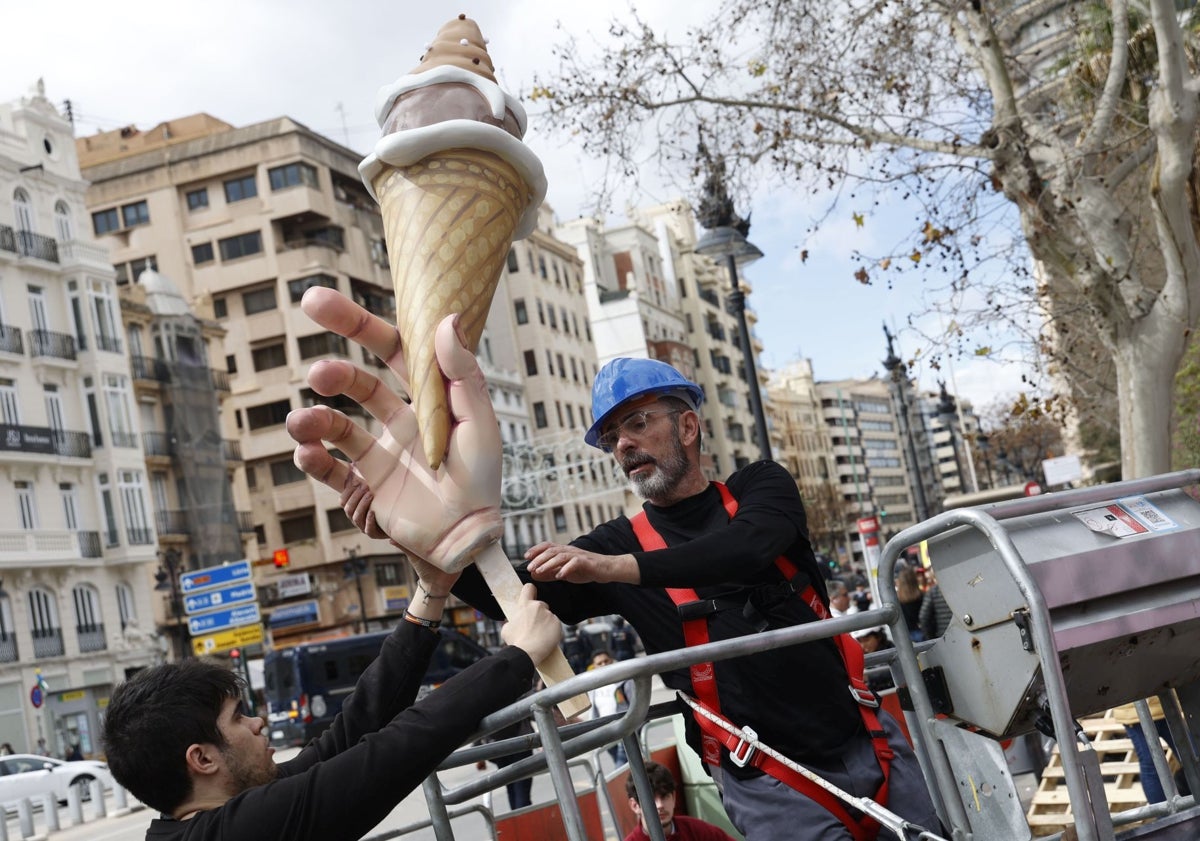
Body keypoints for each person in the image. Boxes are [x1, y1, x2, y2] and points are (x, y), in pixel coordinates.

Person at [287, 289, 940, 841]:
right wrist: (431, 541)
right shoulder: (610, 543)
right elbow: (511, 598)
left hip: (870, 741)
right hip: (770, 783)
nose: (623, 445)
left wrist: (618, 571)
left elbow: (746, 549)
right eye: (611, 439)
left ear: (687, 427)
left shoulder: (762, 488)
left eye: (637, 424)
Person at [103, 316, 562, 841]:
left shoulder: (223, 815)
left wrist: (431, 593)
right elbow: (387, 755)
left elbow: (353, 732)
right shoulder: (239, 831)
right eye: (238, 718)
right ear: (202, 758)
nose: (258, 724)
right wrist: (516, 657)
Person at [624, 761, 736, 841]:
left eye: (665, 796)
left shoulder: (696, 830)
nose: (660, 805)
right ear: (635, 806)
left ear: (674, 797)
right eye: (652, 800)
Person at [588, 649, 634, 767]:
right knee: (625, 767)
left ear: (611, 661)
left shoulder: (625, 681)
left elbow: (635, 703)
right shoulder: (592, 686)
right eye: (599, 663)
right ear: (594, 666)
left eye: (606, 661)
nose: (604, 665)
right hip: (606, 734)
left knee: (620, 766)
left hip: (624, 731)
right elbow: (594, 712)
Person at [895, 564, 925, 642]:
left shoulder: (897, 600)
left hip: (907, 636)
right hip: (923, 632)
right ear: (914, 580)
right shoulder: (922, 596)